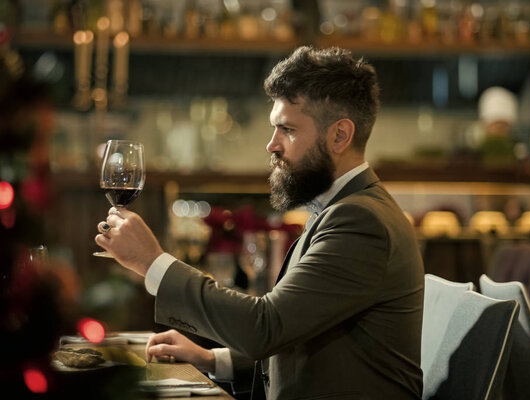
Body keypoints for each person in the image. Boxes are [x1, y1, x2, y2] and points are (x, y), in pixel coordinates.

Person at [95, 46, 424, 400]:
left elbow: (265, 327)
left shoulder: (361, 221)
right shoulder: (343, 208)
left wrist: (152, 262)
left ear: (340, 135)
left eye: (287, 129)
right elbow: (298, 334)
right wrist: (212, 359)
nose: (271, 145)